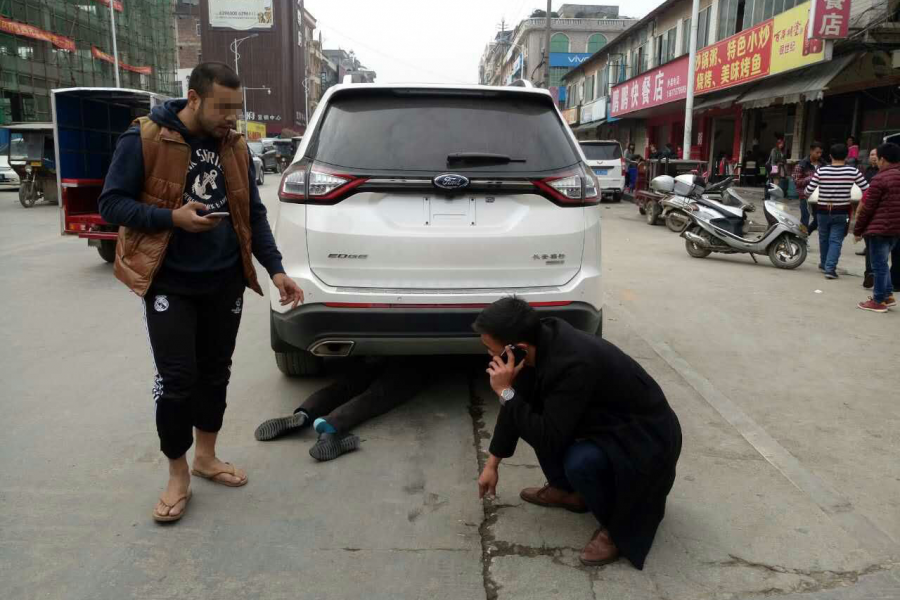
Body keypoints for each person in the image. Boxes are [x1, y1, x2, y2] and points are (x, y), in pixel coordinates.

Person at [98, 62, 304, 523]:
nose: (232, 118)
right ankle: (177, 475)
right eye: (223, 108)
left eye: (237, 108)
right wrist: (173, 218)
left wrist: (275, 270)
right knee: (176, 382)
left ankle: (206, 458)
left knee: (215, 373)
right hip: (170, 281)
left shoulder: (234, 147)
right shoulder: (146, 137)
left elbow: (253, 212)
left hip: (224, 280)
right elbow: (111, 203)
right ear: (193, 99)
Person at [474, 298, 682, 570]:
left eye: (492, 350)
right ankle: (569, 492)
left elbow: (547, 433)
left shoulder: (573, 363)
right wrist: (492, 464)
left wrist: (505, 391)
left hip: (644, 438)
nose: (490, 356)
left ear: (519, 349)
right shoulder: (539, 345)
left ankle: (616, 529)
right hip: (605, 422)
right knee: (528, 412)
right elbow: (518, 407)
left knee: (580, 461)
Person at [254, 357, 431, 460]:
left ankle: (305, 413)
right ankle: (331, 425)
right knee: (384, 391)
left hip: (380, 340)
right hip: (419, 351)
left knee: (351, 383)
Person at [806, 143, 869, 279]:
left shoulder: (821, 171)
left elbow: (808, 190)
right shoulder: (853, 171)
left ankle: (824, 263)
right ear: (846, 156)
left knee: (823, 238)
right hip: (842, 212)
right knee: (836, 240)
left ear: (830, 156)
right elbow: (867, 189)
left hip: (822, 211)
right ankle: (830, 268)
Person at [853, 142, 900, 312]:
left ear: (882, 159)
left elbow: (867, 208)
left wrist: (858, 230)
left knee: (878, 265)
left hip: (879, 229)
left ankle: (878, 300)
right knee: (883, 264)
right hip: (895, 229)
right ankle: (887, 295)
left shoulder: (880, 179)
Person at [791, 141, 825, 232]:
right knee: (804, 219)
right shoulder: (801, 164)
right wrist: (811, 178)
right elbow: (796, 181)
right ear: (811, 151)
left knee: (819, 219)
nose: (819, 155)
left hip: (819, 196)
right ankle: (802, 238)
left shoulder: (823, 165)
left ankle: (807, 233)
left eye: (821, 153)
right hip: (805, 196)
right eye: (817, 152)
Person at [858, 148, 880, 286]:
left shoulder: (883, 175)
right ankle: (870, 274)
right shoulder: (867, 171)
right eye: (871, 155)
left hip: (878, 213)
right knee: (870, 245)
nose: (873, 157)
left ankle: (874, 274)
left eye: (876, 155)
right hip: (868, 210)